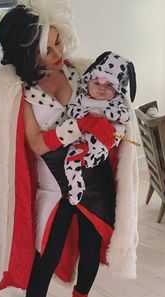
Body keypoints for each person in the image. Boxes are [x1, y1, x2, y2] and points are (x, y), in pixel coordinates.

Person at [0, 1, 139, 297]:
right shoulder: (19, 93)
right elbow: (35, 145)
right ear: (25, 54)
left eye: (58, 43)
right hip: (53, 189)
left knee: (90, 247)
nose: (59, 53)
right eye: (48, 49)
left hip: (94, 184)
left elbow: (116, 115)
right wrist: (79, 127)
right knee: (43, 261)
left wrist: (110, 132)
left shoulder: (81, 73)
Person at [65, 65, 131, 205]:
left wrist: (106, 113)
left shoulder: (114, 102)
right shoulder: (82, 99)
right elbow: (71, 110)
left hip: (103, 139)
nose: (102, 88)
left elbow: (126, 116)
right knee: (70, 160)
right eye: (97, 84)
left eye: (109, 85)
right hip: (80, 140)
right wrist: (87, 116)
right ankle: (75, 185)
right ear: (87, 84)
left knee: (99, 145)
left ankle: (93, 157)